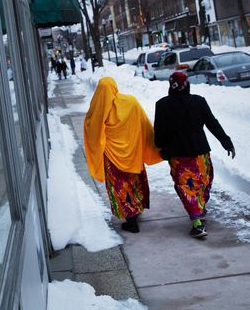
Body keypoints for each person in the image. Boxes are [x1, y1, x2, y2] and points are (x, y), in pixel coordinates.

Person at [153, 71, 235, 239]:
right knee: (203, 182)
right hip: (200, 154)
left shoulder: (162, 105)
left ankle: (196, 216)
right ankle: (198, 217)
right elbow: (213, 124)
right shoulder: (198, 102)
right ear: (186, 85)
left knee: (185, 187)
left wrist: (162, 146)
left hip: (177, 156)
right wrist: (226, 141)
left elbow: (159, 135)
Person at [84, 77, 162, 233]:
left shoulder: (98, 110)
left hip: (112, 158)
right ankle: (137, 209)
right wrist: (154, 144)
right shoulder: (131, 102)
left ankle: (131, 219)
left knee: (120, 187)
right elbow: (144, 123)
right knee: (134, 183)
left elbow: (92, 130)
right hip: (133, 154)